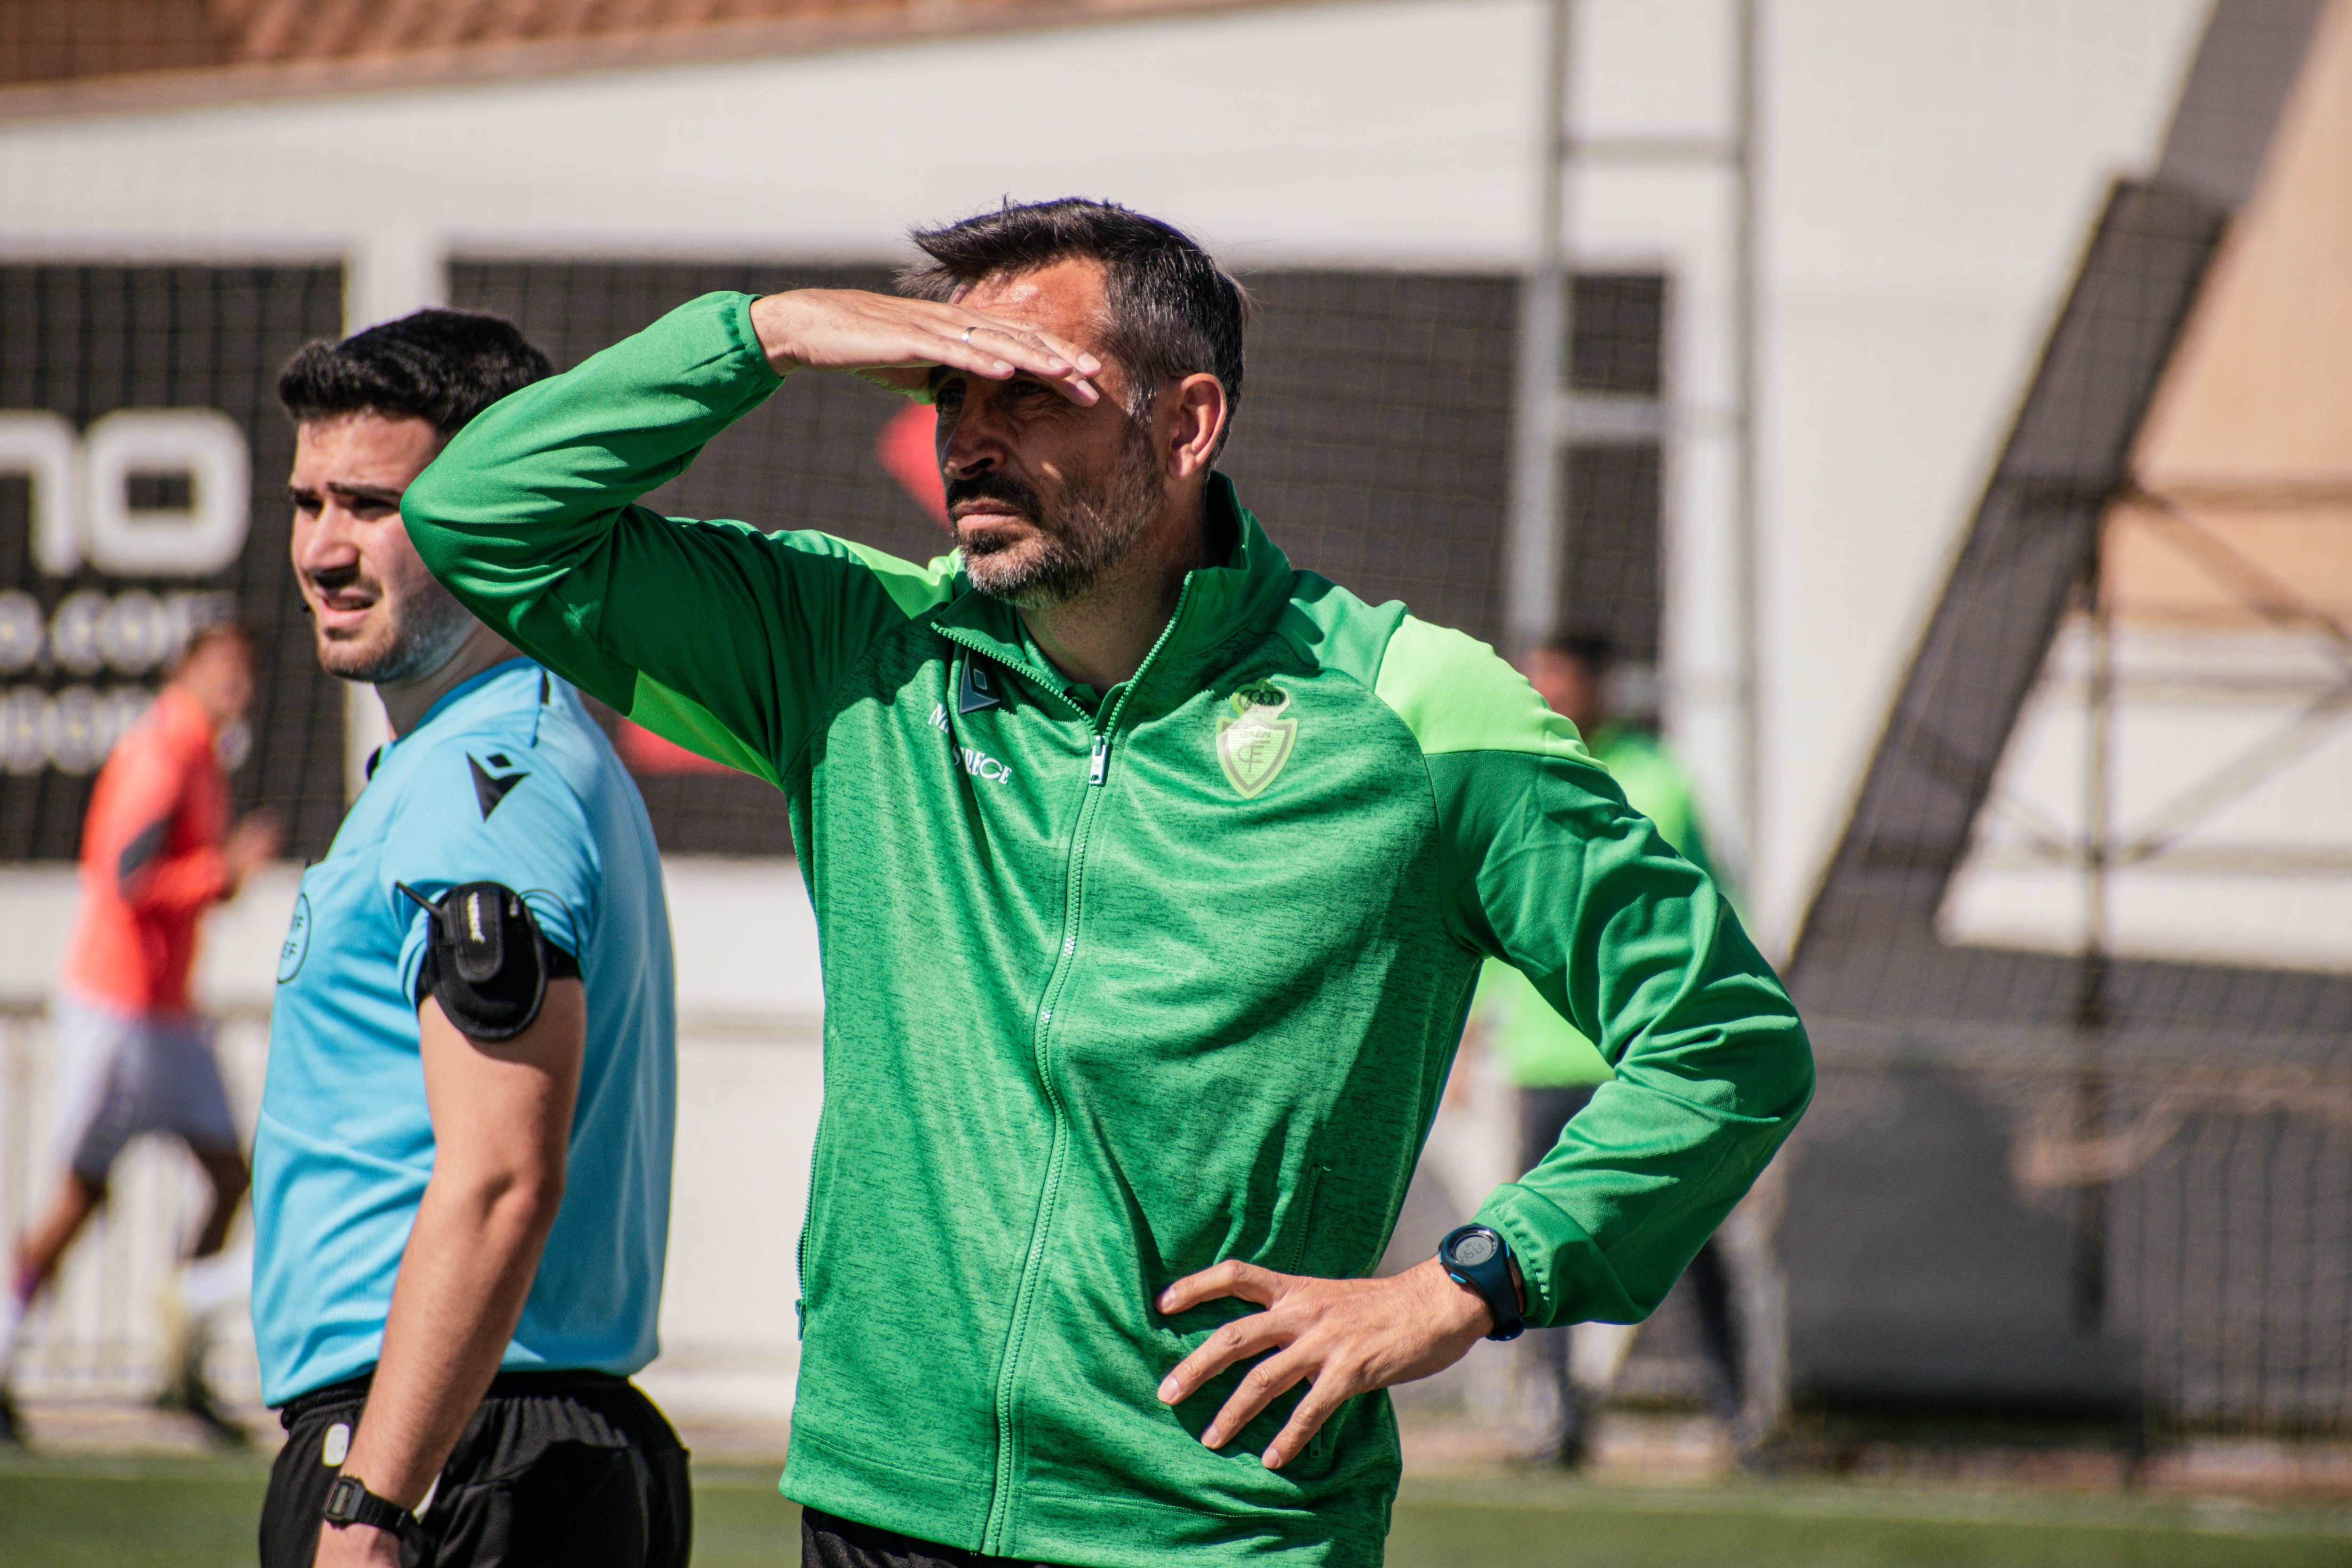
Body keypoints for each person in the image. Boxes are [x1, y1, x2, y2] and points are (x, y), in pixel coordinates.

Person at [402, 199, 1813, 1568]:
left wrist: (1461, 1286)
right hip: (881, 1500)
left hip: (1215, 1530)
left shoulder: (1413, 705)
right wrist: (767, 332)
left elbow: (1725, 1043)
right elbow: (476, 515)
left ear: (1187, 423)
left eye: (1028, 392)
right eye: (948, 391)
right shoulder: (853, 653)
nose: (969, 438)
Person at [251, 310, 688, 1568]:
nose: (326, 548)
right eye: (307, 501)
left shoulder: (482, 786)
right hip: (494, 1445)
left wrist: (375, 1500)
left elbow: (502, 1176)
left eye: (375, 505)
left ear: (500, 510)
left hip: (454, 1456)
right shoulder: (495, 758)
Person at [1466, 631, 1746, 1466]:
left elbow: (1712, 904)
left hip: (1641, 1061)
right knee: (1529, 1243)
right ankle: (1555, 1417)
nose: (1547, 692)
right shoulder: (1523, 765)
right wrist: (1475, 1032)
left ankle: (1737, 1414)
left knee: (1692, 1240)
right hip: (1545, 1062)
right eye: (1537, 677)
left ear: (1599, 686)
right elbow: (1489, 909)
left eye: (1561, 678)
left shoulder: (1660, 777)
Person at [0, 622, 279, 1446]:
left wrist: (214, 879)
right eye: (223, 665)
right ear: (185, 666)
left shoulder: (201, 750)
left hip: (167, 1011)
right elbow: (126, 879)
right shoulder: (163, 751)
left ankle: (180, 1359)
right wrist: (218, 873)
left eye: (247, 668)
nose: (238, 683)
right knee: (80, 1193)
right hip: (118, 1010)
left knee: (233, 1176)